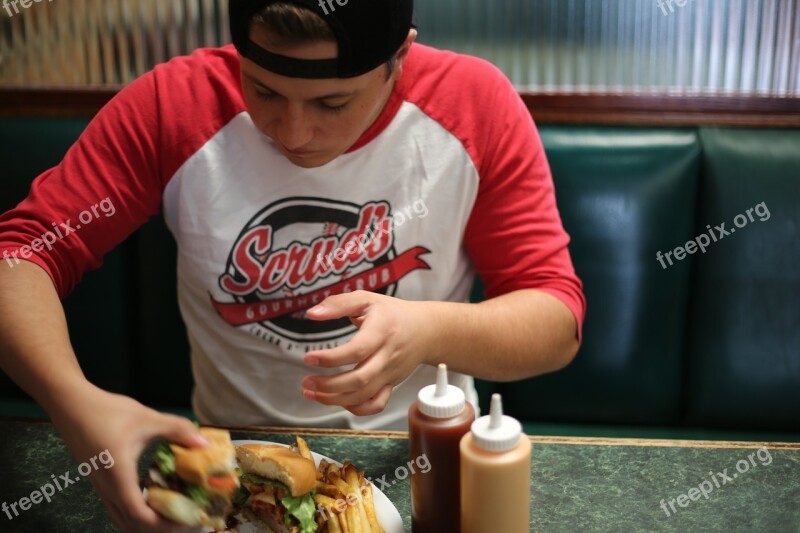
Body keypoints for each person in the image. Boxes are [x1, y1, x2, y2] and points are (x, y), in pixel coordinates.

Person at [0, 0, 585, 530]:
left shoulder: (473, 103)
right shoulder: (174, 104)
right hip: (236, 470)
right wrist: (77, 406)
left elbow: (555, 321)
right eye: (264, 92)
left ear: (400, 55)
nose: (293, 134)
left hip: (424, 464)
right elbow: (20, 252)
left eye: (333, 102)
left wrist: (428, 331)